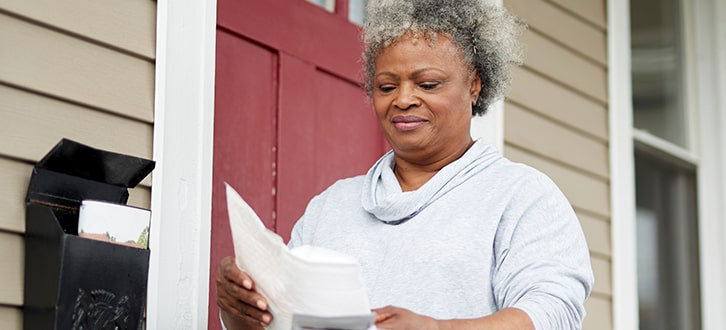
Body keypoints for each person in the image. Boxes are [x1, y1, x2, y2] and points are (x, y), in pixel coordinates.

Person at [216, 0, 594, 329]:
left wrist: (437, 329)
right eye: (386, 86)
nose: (403, 99)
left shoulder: (522, 197)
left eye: (427, 84)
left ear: (474, 85)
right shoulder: (331, 207)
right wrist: (243, 314)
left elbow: (552, 315)